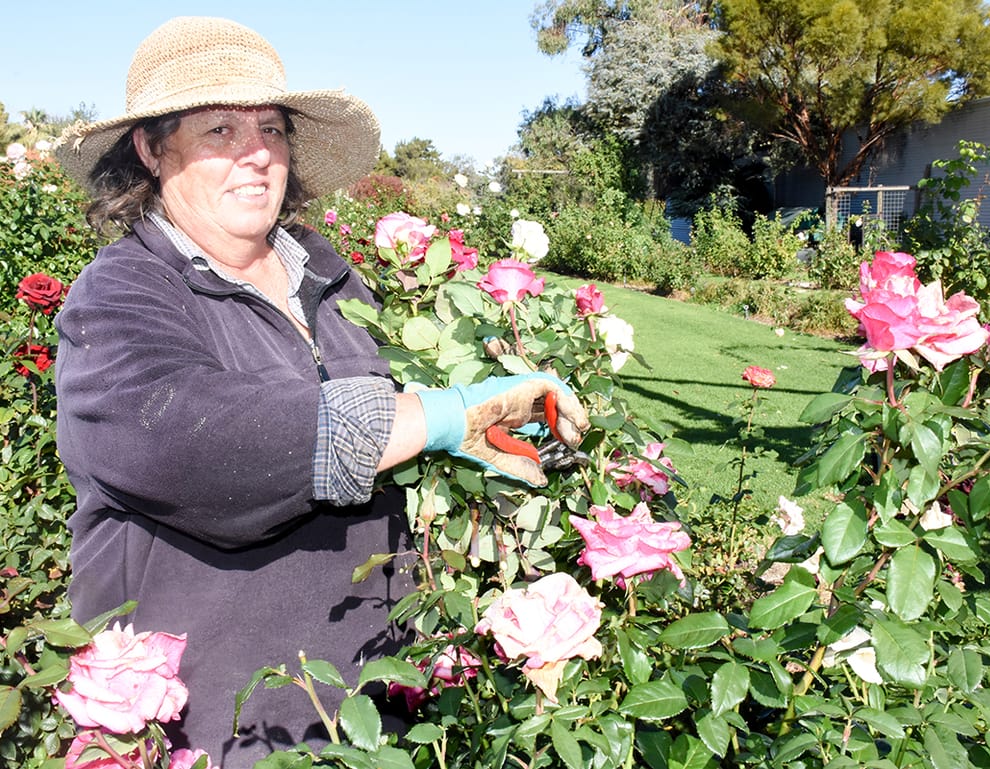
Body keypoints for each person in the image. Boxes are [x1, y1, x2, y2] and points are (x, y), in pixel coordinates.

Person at [53, 16, 589, 768]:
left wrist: (491, 450)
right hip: (221, 727)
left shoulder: (330, 279)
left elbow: (395, 448)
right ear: (150, 148)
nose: (257, 154)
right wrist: (436, 415)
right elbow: (198, 443)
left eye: (270, 127)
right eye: (218, 130)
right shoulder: (118, 299)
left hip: (373, 712)